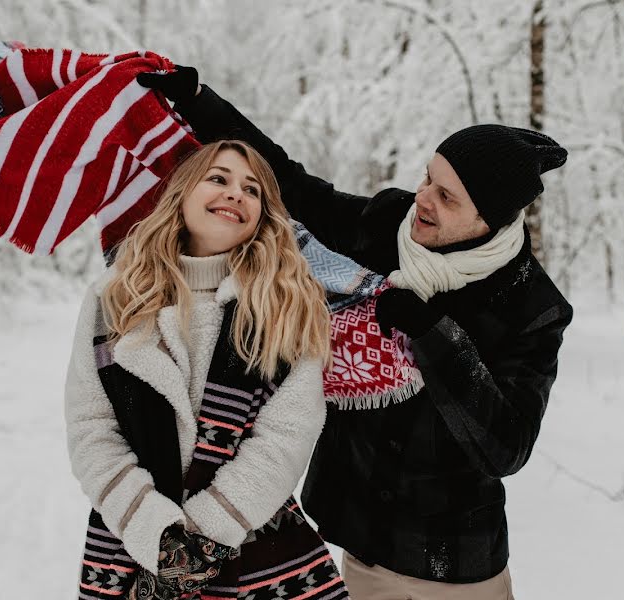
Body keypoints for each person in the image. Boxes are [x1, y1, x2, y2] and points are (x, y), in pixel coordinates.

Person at [138, 68, 574, 600]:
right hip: (363, 544)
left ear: (491, 218)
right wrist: (198, 101)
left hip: (457, 565)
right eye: (427, 178)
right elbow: (293, 186)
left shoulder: (533, 307)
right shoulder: (390, 225)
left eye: (447, 196)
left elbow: (505, 447)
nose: (423, 199)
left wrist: (432, 331)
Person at [64, 140, 349, 600]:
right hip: (134, 541)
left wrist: (201, 538)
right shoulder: (114, 298)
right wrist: (158, 538)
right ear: (181, 193)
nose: (236, 193)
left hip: (256, 546)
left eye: (252, 189)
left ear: (264, 213)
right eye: (218, 179)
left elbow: (288, 435)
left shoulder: (289, 303)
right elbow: (90, 426)